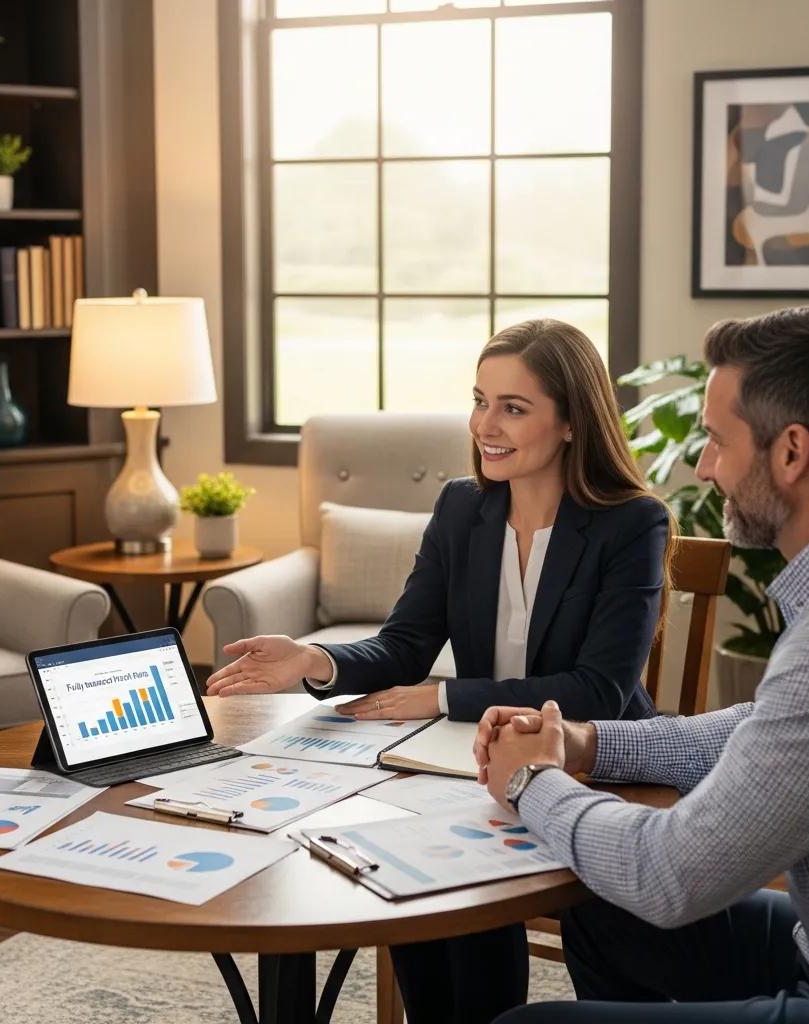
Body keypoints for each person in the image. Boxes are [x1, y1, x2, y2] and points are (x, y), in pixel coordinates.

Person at [207, 318, 675, 1024]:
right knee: (419, 867)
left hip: (596, 765)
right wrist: (317, 659)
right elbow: (404, 644)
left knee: (471, 882)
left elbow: (597, 690)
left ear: (573, 420)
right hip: (479, 761)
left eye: (513, 408)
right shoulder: (464, 506)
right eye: (480, 399)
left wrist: (444, 698)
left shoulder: (631, 523)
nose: (486, 424)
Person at [474, 306, 809, 1024]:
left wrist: (532, 780)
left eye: (716, 440)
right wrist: (591, 742)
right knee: (597, 901)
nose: (705, 466)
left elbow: (671, 874)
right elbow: (768, 726)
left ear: (792, 452)